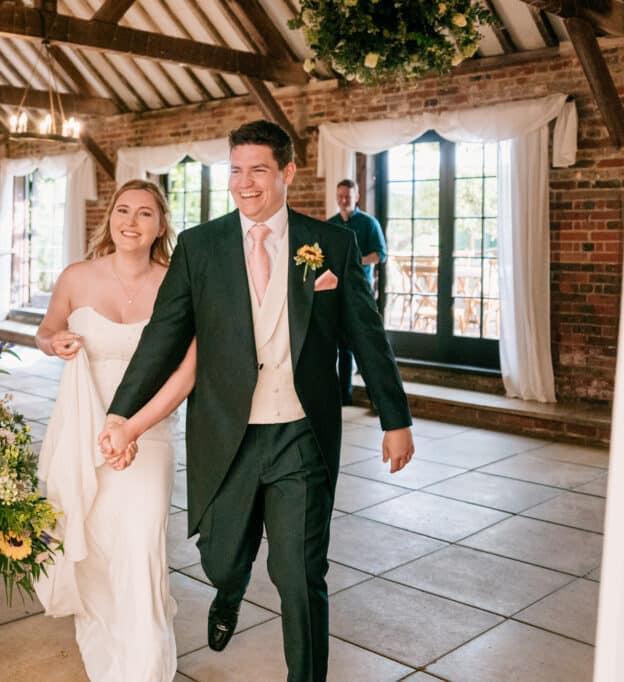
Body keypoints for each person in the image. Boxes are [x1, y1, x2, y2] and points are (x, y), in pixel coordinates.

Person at [100, 121, 414, 681]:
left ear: (287, 172)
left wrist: (396, 418)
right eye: (236, 170)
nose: (245, 183)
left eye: (259, 170)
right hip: (228, 431)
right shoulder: (201, 246)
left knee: (299, 572)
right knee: (221, 556)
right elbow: (163, 338)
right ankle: (231, 588)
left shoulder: (332, 244)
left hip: (301, 433)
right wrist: (122, 412)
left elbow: (367, 334)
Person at [32, 179, 195, 682]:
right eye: (122, 210)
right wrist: (53, 341)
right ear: (110, 218)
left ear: (161, 226)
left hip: (149, 431)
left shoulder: (177, 282)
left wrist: (136, 428)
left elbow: (187, 369)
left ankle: (144, 667)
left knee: (141, 544)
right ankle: (107, 653)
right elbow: (45, 331)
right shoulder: (77, 276)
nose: (130, 221)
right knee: (95, 543)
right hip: (82, 423)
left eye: (145, 213)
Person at [328, 179, 388, 406]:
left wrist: (354, 262)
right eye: (340, 196)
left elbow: (380, 254)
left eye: (348, 196)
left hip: (361, 293)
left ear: (357, 196)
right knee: (343, 348)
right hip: (337, 293)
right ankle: (345, 396)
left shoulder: (369, 223)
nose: (344, 200)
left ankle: (377, 400)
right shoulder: (330, 224)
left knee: (366, 348)